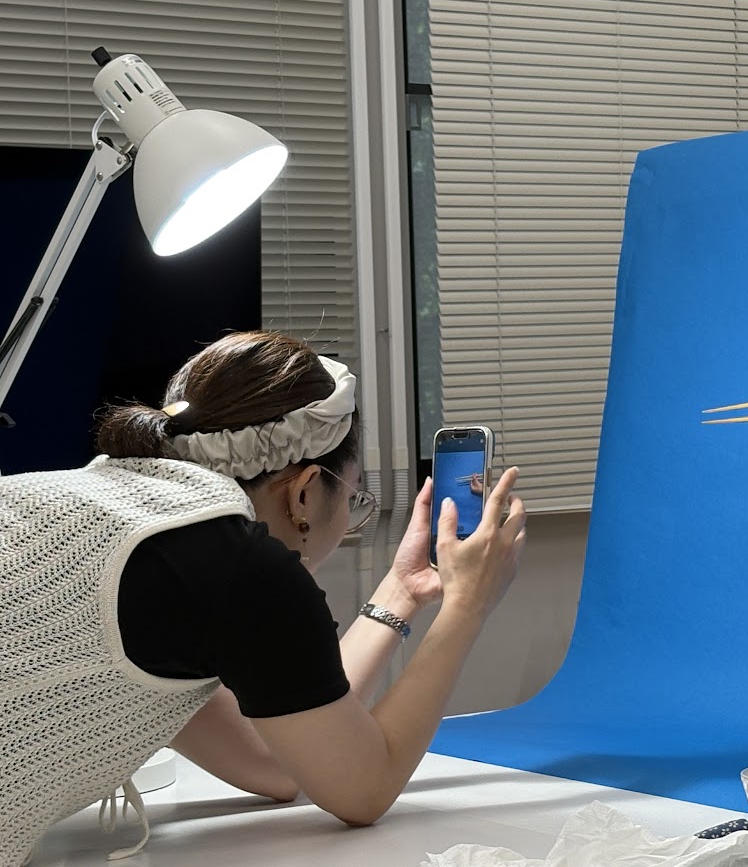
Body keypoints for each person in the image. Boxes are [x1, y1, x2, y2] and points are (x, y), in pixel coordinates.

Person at [0, 331, 527, 865]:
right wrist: (467, 605)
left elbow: (278, 759)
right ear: (304, 492)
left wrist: (401, 590)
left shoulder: (96, 512)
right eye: (354, 497)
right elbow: (362, 788)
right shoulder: (239, 565)